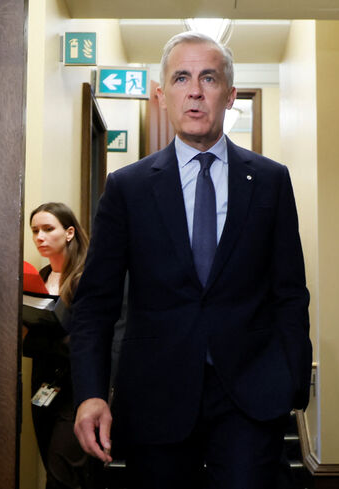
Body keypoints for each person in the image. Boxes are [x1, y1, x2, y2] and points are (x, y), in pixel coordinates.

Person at [68, 31, 312, 489]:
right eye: (181, 78)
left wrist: (292, 381)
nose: (195, 91)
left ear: (230, 94)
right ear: (162, 95)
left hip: (250, 395)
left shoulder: (270, 181)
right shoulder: (128, 188)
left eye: (209, 78)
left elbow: (290, 293)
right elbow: (95, 304)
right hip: (155, 394)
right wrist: (91, 393)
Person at [26, 202, 98, 489]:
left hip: (77, 389)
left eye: (47, 229)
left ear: (69, 233)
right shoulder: (39, 277)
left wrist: (31, 340)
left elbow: (85, 340)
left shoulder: (87, 277)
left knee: (63, 475)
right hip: (43, 385)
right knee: (49, 463)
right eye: (35, 231)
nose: (39, 237)